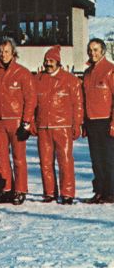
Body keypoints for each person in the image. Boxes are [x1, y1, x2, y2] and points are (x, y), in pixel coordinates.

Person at [0, 38, 36, 205]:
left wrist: (26, 122)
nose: (3, 55)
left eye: (6, 52)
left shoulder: (23, 73)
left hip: (16, 122)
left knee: (18, 157)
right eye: (1, 52)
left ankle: (20, 190)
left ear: (13, 53)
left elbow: (30, 99)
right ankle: (6, 189)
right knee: (1, 158)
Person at [34, 46, 83, 204]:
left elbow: (78, 105)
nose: (48, 64)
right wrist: (33, 122)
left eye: (51, 61)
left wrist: (77, 124)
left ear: (58, 62)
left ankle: (67, 193)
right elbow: (32, 103)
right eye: (46, 61)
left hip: (63, 127)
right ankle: (49, 192)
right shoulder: (37, 80)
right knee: (45, 161)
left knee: (65, 161)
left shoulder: (70, 80)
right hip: (43, 126)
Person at [82, 38, 114, 204]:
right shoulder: (87, 73)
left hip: (106, 121)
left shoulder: (110, 70)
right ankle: (99, 191)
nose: (92, 53)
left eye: (95, 50)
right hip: (91, 121)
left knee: (109, 158)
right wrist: (84, 122)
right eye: (90, 50)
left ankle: (111, 192)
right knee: (96, 159)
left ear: (103, 51)